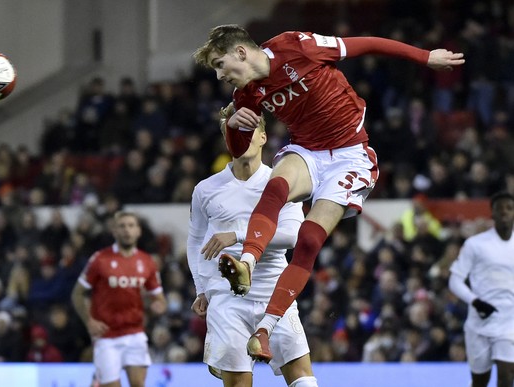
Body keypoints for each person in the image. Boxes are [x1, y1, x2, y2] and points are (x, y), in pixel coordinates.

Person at [193, 24, 465, 361]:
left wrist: (425, 57)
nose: (220, 76)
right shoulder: (245, 96)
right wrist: (234, 128)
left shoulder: (298, 46)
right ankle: (247, 261)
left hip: (350, 155)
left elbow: (366, 41)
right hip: (307, 150)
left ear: (241, 52)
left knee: (308, 240)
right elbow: (238, 150)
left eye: (220, 65)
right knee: (275, 187)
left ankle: (265, 329)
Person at [187, 103, 317, 387]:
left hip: (274, 290)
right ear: (227, 139)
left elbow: (291, 235)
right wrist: (201, 288)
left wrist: (237, 235)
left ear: (263, 137)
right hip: (226, 297)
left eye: (250, 131)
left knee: (304, 381)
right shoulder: (205, 189)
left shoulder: (281, 182)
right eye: (235, 132)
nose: (243, 137)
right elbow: (195, 240)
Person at [72, 211, 167, 387]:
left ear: (138, 231)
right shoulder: (100, 259)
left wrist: (158, 306)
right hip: (106, 335)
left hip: (135, 333)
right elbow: (77, 293)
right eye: (122, 226)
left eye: (131, 226)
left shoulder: (147, 262)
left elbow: (159, 298)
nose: (126, 230)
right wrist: (89, 322)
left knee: (139, 384)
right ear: (114, 231)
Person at [448, 191, 514, 387]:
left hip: (509, 322)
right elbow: (455, 280)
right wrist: (475, 302)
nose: (504, 212)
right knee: (480, 381)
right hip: (480, 322)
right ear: (491, 213)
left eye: (509, 208)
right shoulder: (475, 245)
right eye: (499, 208)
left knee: (506, 375)